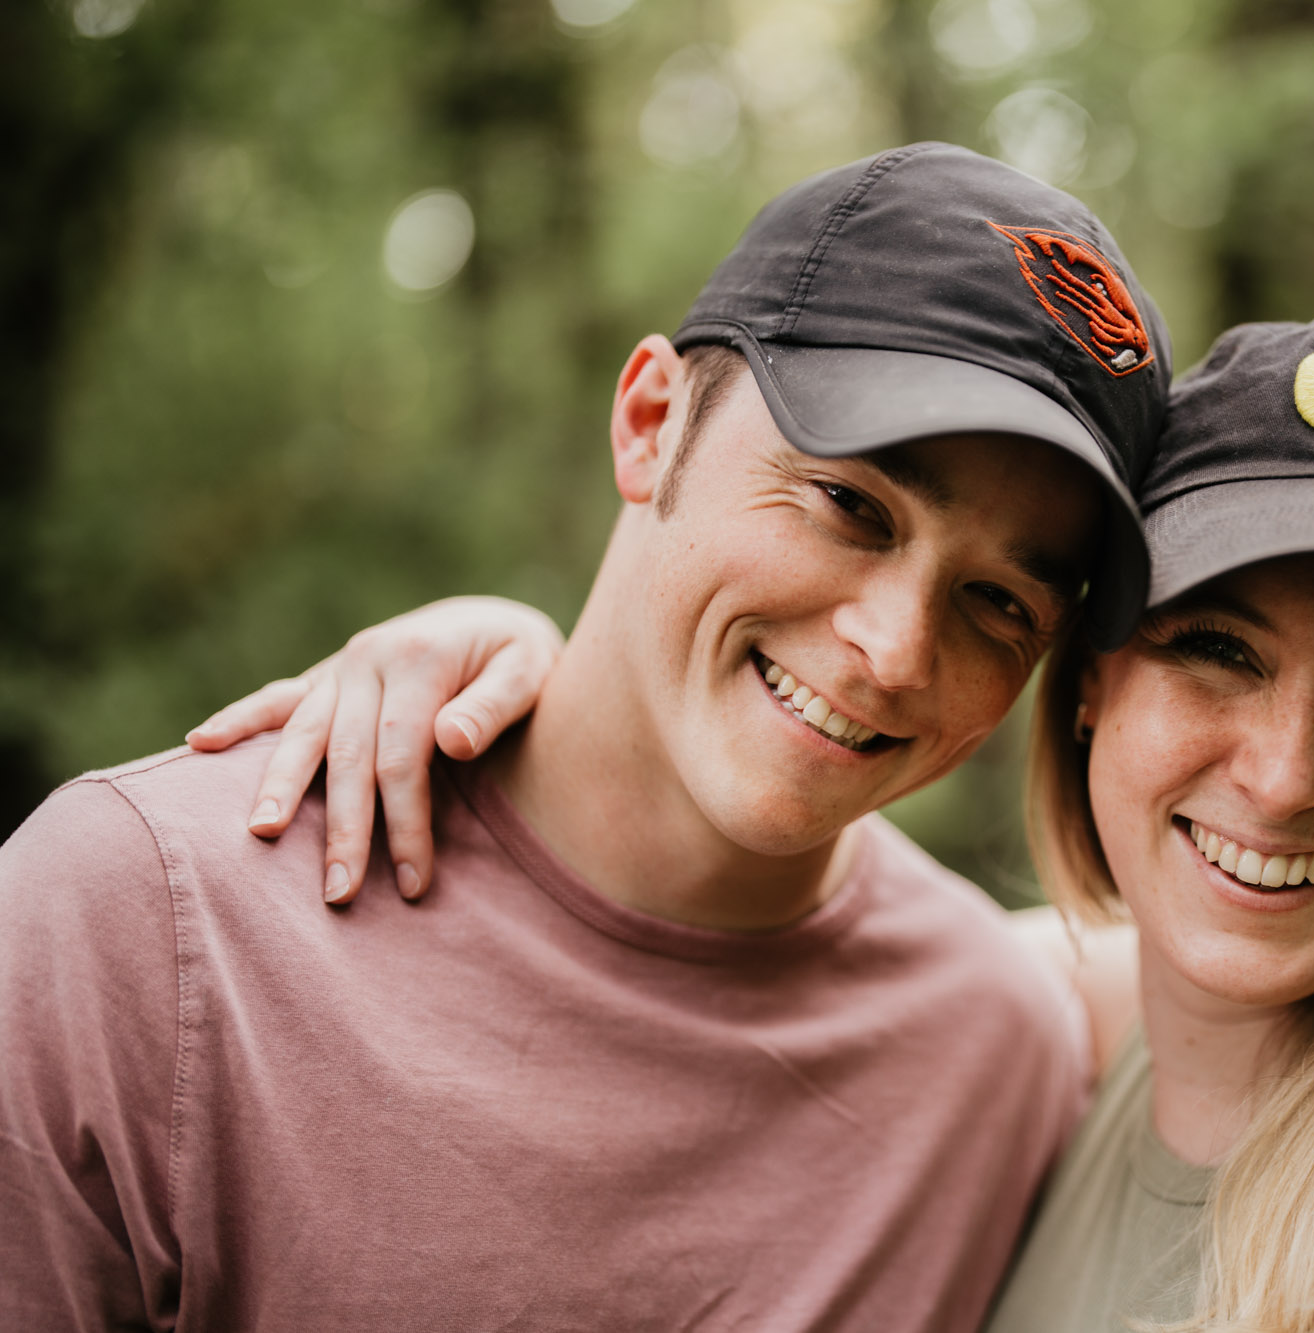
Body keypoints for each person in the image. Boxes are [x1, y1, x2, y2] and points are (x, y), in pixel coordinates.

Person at [186, 315, 1314, 1331]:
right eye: (1220, 652)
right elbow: (761, 942)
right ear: (1090, 687)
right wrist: (526, 684)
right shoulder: (1075, 1031)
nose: (1285, 769)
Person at [0, 142, 1175, 1331]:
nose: (895, 648)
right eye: (849, 505)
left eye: (1000, 603)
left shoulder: (994, 1058)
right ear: (650, 421)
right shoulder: (142, 929)